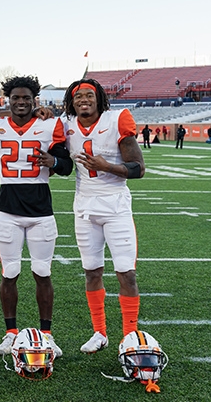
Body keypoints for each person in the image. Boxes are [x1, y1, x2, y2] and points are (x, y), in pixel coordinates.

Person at [0, 75, 73, 357]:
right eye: (15, 98)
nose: (21, 102)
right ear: (8, 100)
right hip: (8, 211)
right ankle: (10, 333)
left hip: (41, 212)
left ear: (35, 100)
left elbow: (67, 166)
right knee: (9, 273)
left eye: (26, 98)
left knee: (43, 273)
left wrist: (55, 161)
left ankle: (47, 334)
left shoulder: (50, 124)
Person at [61, 79, 145, 354]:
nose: (84, 100)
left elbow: (138, 169)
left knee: (126, 273)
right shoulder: (66, 123)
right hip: (84, 209)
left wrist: (107, 166)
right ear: (71, 102)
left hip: (115, 207)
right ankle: (99, 332)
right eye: (78, 97)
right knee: (92, 271)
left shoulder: (117, 119)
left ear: (99, 98)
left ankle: (130, 337)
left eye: (89, 95)